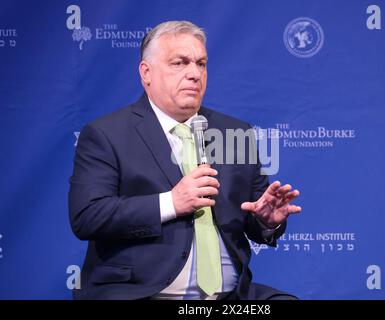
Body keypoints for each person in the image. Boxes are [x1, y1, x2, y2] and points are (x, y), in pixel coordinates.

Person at [69, 20, 301, 300]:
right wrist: (171, 202)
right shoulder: (107, 134)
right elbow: (88, 217)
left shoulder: (235, 132)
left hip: (230, 298)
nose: (194, 73)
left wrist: (266, 221)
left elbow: (254, 215)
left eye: (201, 64)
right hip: (145, 293)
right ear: (146, 73)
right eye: (180, 63)